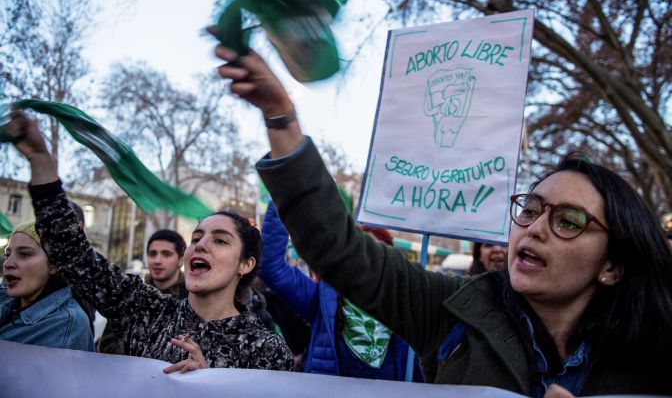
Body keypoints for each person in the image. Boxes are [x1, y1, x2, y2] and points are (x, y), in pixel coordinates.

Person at [213, 43, 672, 395]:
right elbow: (339, 248)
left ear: (612, 265)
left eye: (568, 221)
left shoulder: (652, 353)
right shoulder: (453, 309)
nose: (534, 227)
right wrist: (280, 118)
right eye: (529, 210)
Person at [6, 112, 293, 374]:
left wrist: (210, 387)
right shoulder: (145, 311)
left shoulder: (267, 351)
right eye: (196, 238)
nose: (201, 245)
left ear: (245, 264)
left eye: (220, 240)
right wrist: (40, 160)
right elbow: (71, 252)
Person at [261, 201, 423, 381]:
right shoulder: (322, 298)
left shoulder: (406, 306)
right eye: (359, 252)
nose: (367, 261)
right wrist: (282, 199)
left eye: (376, 254)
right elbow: (271, 268)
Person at [0, 222, 94, 351]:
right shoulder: (6, 299)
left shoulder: (65, 324)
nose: (7, 263)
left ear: (54, 265)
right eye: (7, 254)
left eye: (24, 254)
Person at [97, 229, 188, 354]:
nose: (157, 260)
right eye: (152, 254)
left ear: (181, 260)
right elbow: (107, 345)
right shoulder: (132, 294)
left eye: (166, 254)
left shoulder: (191, 299)